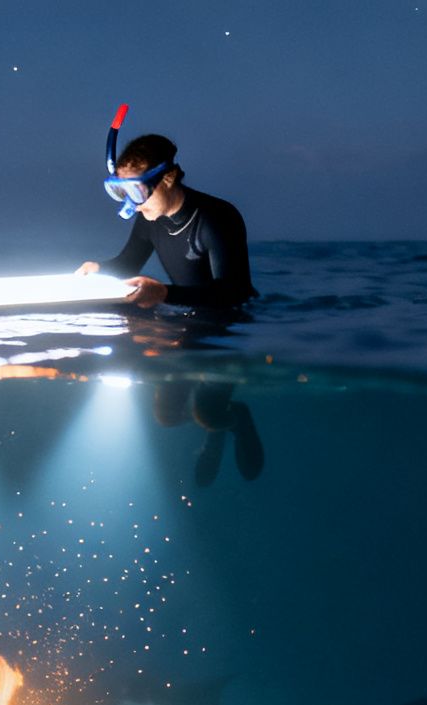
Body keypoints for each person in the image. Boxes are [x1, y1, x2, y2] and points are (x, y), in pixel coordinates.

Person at [79, 108, 262, 483]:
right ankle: (212, 426)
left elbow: (234, 292)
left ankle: (231, 421)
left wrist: (164, 293)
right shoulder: (148, 218)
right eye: (120, 190)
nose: (130, 202)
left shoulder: (217, 217)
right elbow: (128, 262)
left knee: (207, 413)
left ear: (168, 177)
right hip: (182, 318)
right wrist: (99, 269)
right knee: (166, 416)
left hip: (227, 323)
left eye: (135, 190)